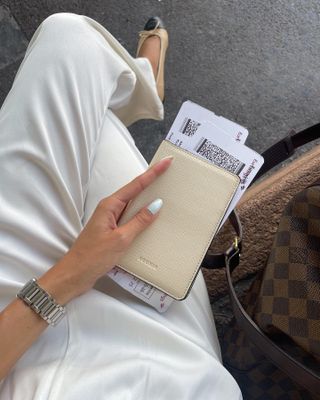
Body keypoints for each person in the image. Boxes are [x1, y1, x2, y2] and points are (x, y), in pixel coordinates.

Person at [0, 12, 242, 399]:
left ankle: (142, 79)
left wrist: (72, 273)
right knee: (99, 124)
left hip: (13, 332)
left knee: (70, 39)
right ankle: (141, 80)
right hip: (160, 360)